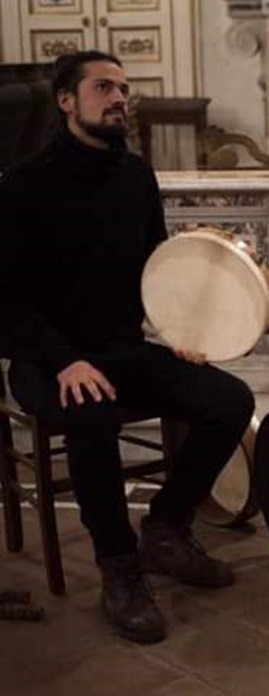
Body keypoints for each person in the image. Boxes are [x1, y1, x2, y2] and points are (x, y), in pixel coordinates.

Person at [0, 51, 255, 642]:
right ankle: (119, 567)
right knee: (92, 411)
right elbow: (7, 302)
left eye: (123, 87)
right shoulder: (21, 185)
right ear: (66, 100)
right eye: (103, 87)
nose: (119, 97)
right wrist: (65, 359)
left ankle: (165, 528)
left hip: (120, 348)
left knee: (229, 400)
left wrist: (179, 333)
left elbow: (155, 270)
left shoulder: (135, 175)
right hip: (47, 359)